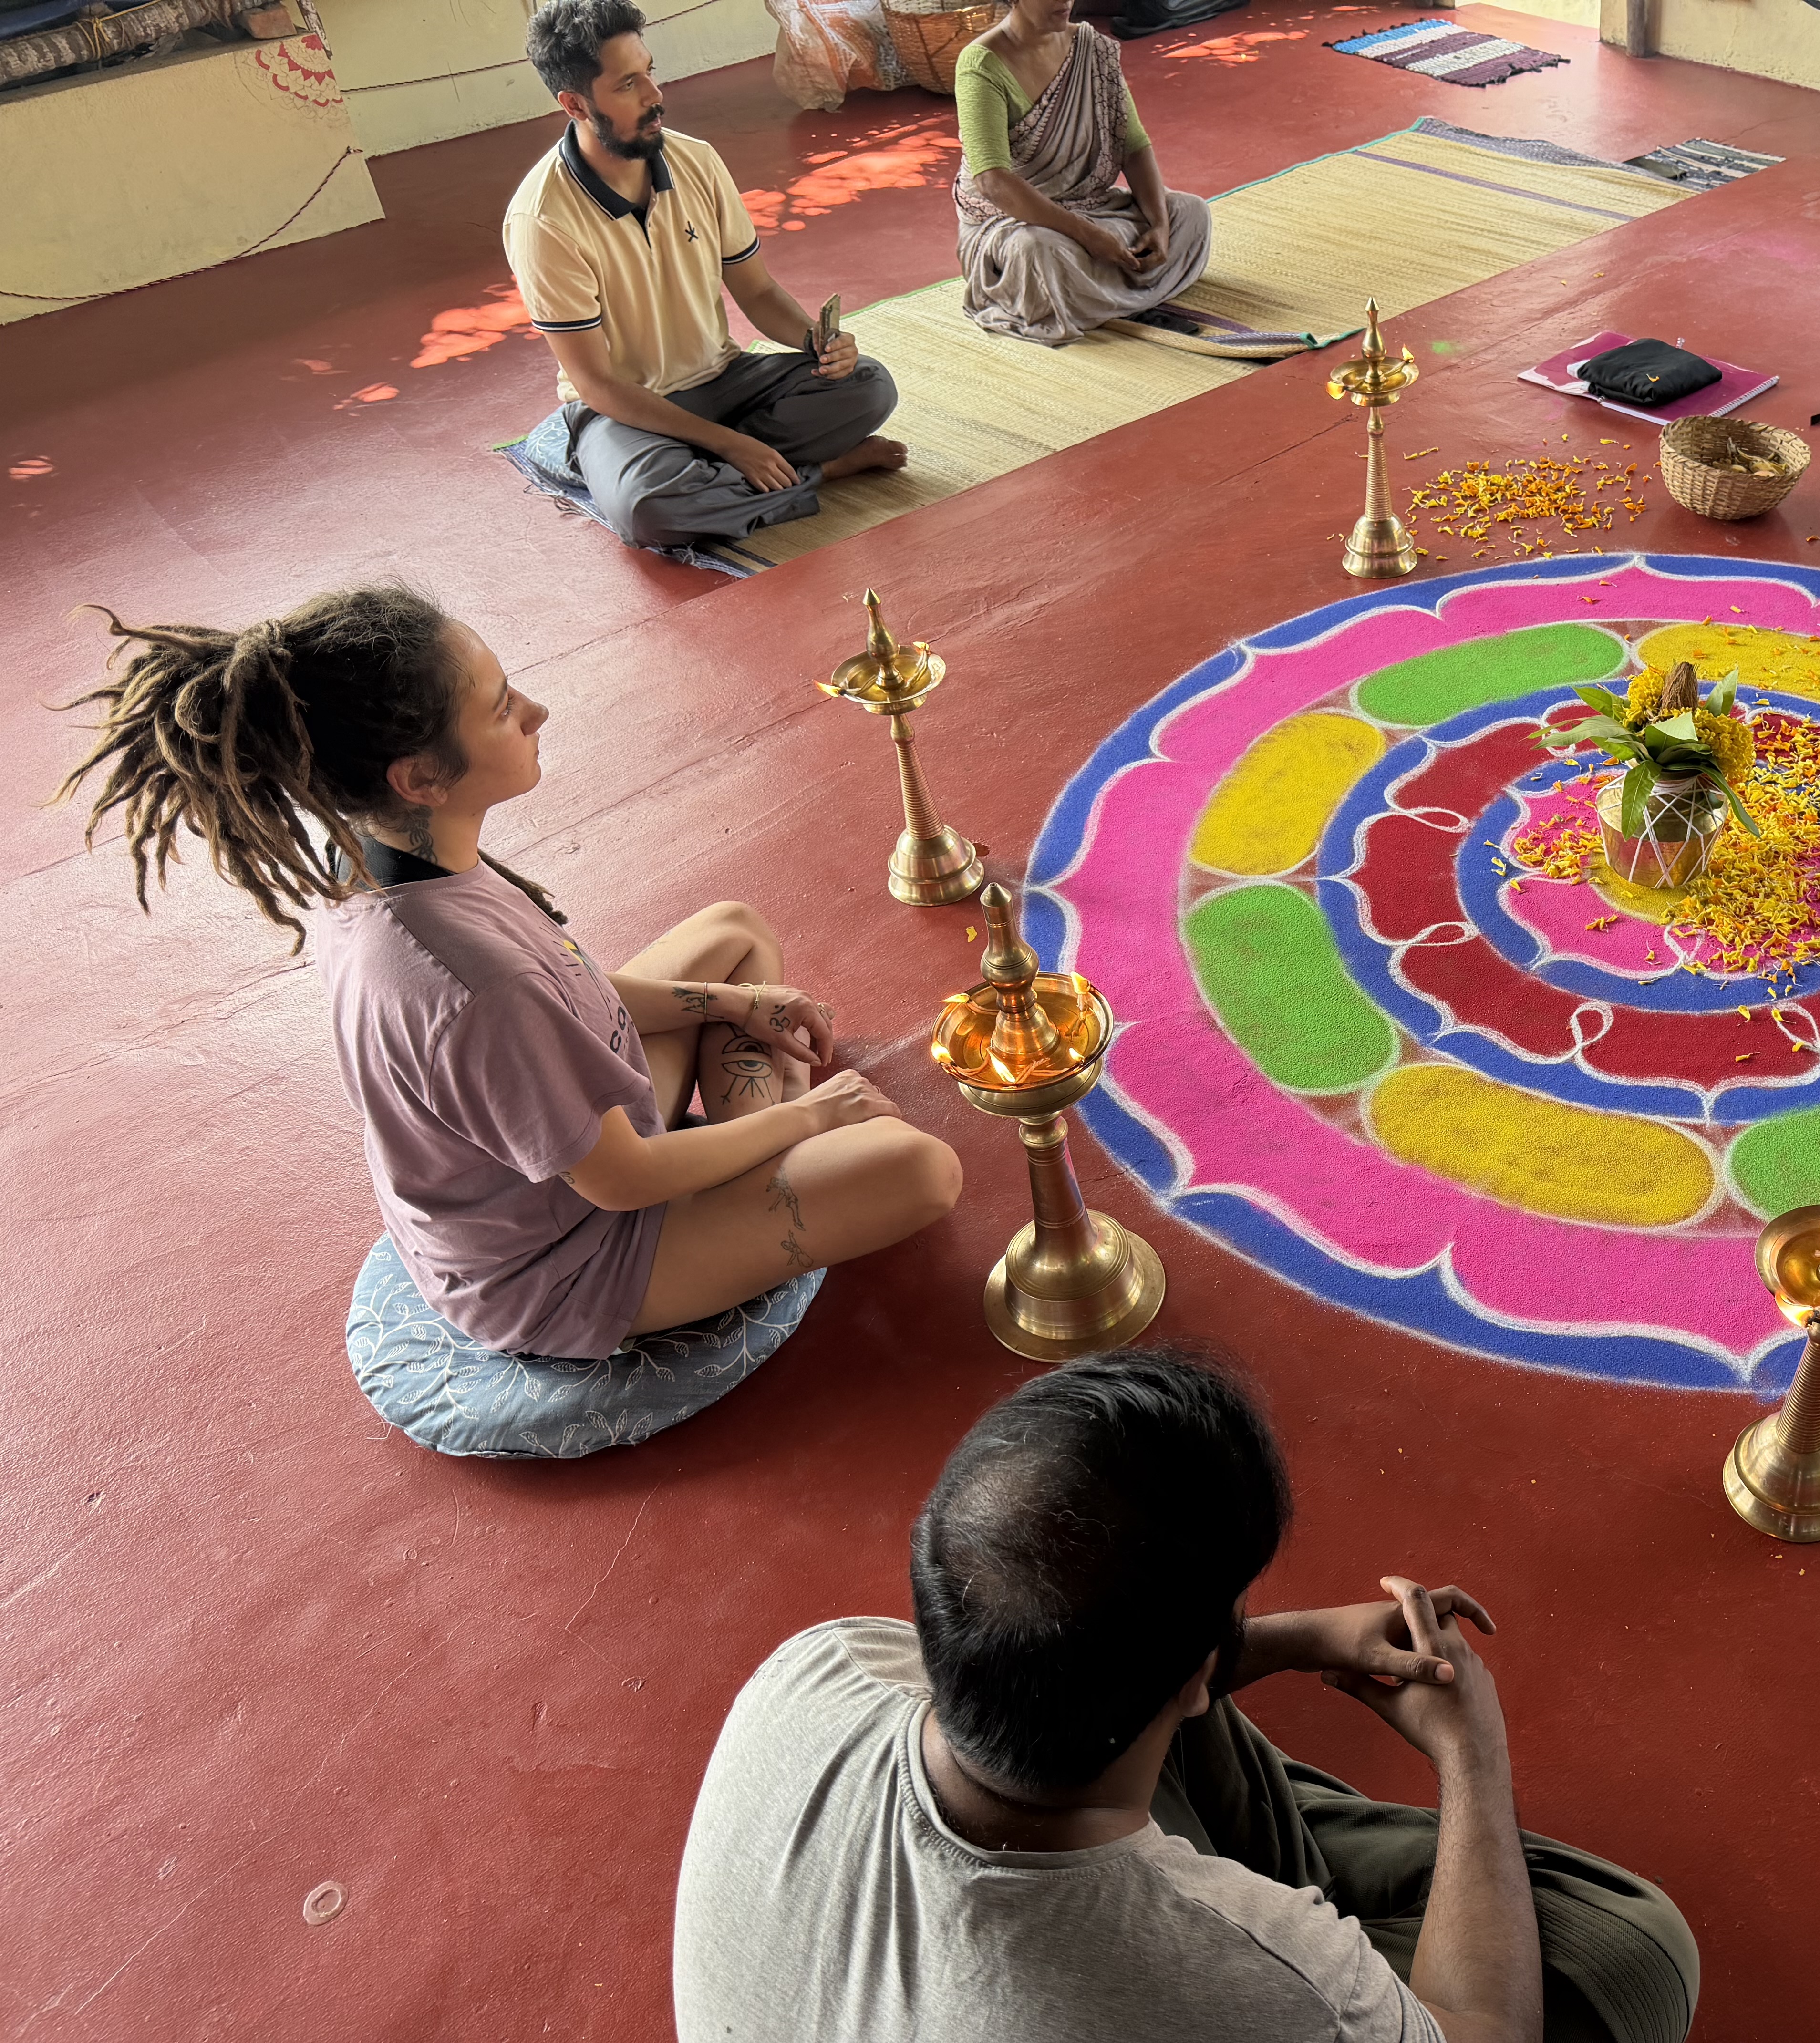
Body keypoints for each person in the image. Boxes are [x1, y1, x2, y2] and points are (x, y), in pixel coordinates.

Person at [673, 1345, 1700, 2043]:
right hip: (1161, 1955)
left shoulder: (817, 1670)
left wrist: (1291, 1640)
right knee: (1636, 1950)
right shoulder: (1257, 1984)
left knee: (1158, 1746)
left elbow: (1084, 1689)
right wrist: (1472, 1749)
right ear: (1201, 1665)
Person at [52, 585, 962, 1361]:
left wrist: (737, 1002)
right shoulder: (469, 980)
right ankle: (770, 1149)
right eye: (498, 707)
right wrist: (812, 1111)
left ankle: (758, 1152)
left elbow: (573, 984)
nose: (535, 710)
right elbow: (621, 1180)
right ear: (419, 777)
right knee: (917, 1169)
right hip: (562, 1261)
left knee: (733, 936)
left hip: (564, 1149)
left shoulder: (393, 855)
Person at [507, 1, 908, 551]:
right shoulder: (542, 220)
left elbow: (759, 291)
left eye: (650, 71)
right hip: (625, 410)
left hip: (723, 379)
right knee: (651, 512)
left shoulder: (698, 161)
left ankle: (715, 472)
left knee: (869, 386)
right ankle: (821, 472)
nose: (655, 95)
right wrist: (731, 444)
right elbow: (598, 384)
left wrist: (820, 342)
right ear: (575, 104)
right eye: (628, 85)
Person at [953, 0, 1212, 346]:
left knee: (1191, 214)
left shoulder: (1094, 50)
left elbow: (1133, 146)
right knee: (1038, 252)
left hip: (1091, 205)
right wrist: (1090, 237)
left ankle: (1093, 299)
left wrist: (1160, 226)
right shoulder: (981, 64)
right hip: (1016, 221)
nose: (1066, 2)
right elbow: (993, 181)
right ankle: (1121, 293)